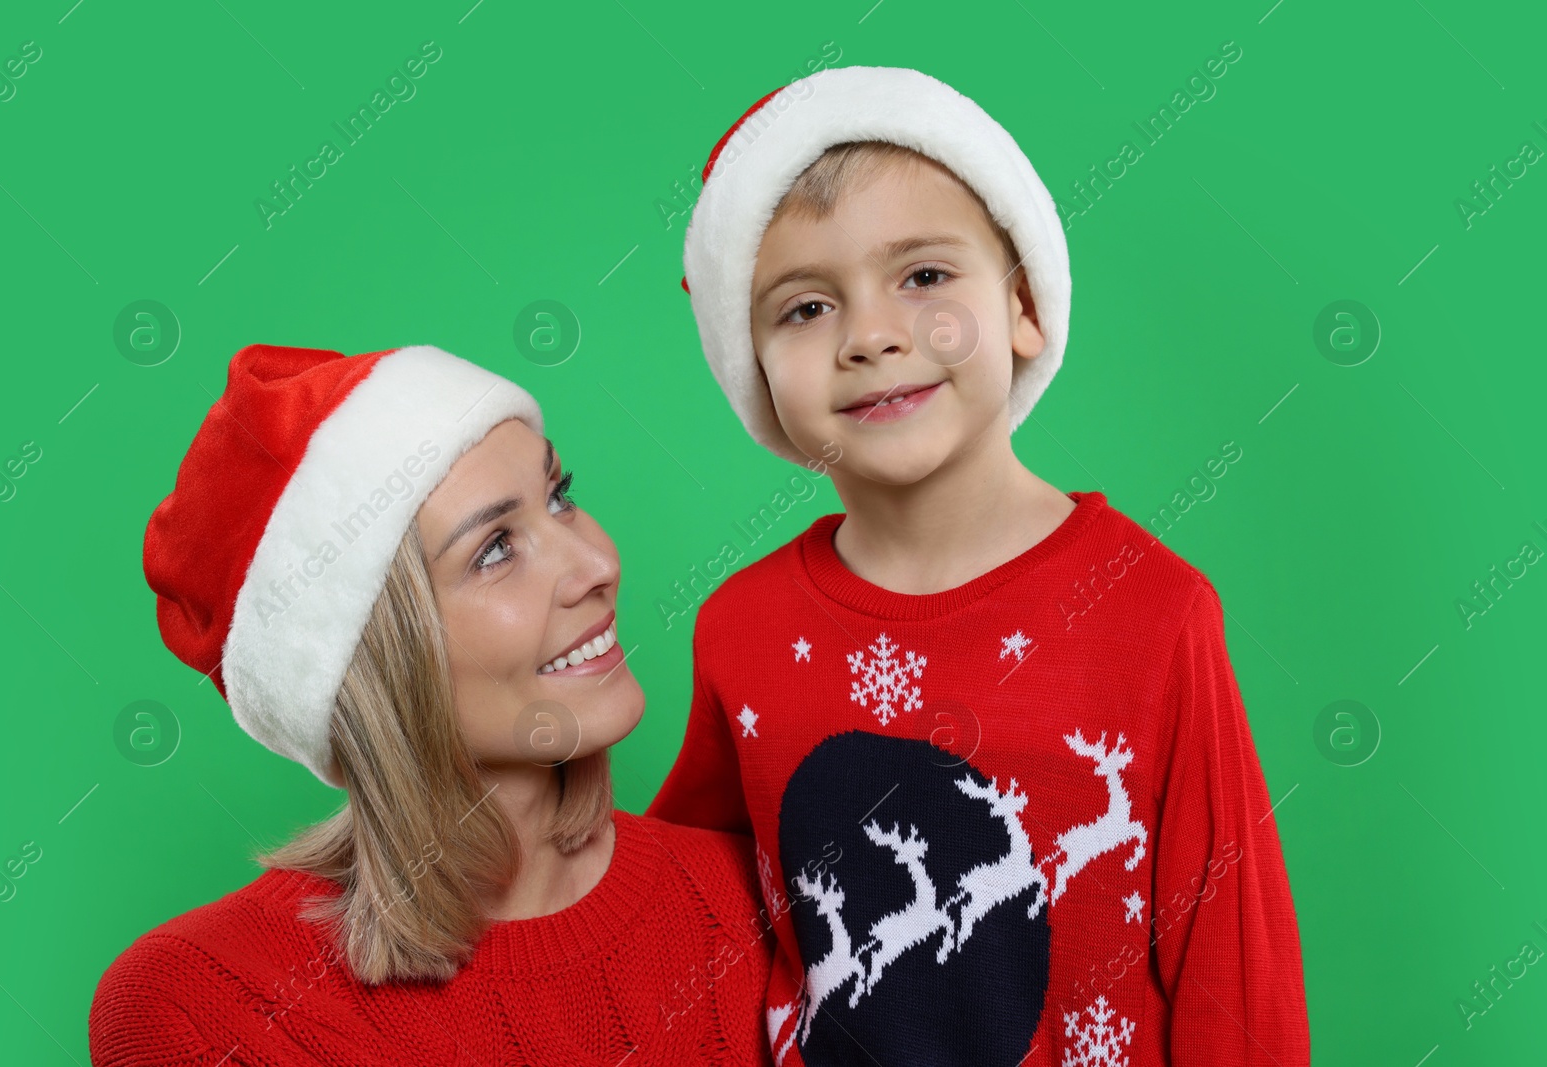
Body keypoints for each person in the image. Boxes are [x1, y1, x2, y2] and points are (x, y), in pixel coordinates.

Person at [647, 66, 1309, 1065]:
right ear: (755, 379)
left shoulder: (1152, 611)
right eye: (804, 307)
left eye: (922, 276)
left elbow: (1233, 962)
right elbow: (679, 916)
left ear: (1025, 309)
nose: (871, 335)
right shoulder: (739, 631)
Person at [89, 343, 774, 1066]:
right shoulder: (203, 1005)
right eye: (494, 549)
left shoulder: (764, 900)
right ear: (380, 662)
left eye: (560, 496)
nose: (598, 565)